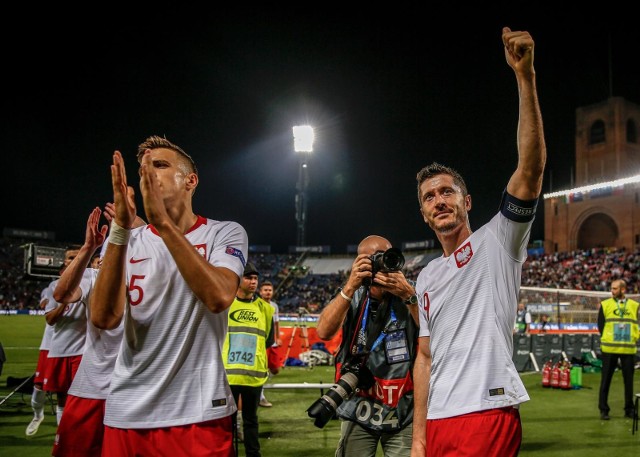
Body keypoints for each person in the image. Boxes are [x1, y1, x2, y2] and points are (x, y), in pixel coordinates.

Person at [412, 27, 546, 456]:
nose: (439, 201)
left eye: (447, 191)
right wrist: (418, 438)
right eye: (430, 197)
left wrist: (524, 78)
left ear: (467, 201)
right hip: (438, 420)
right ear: (423, 213)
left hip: (487, 412)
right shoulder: (427, 276)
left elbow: (530, 170)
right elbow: (426, 359)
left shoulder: (498, 240)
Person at [91, 135, 248, 457]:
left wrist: (161, 223)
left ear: (190, 180)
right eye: (143, 168)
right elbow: (104, 318)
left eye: (159, 165)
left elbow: (219, 296)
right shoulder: (126, 238)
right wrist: (121, 228)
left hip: (200, 412)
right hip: (126, 409)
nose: (148, 173)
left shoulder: (224, 232)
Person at [51, 205, 145, 456]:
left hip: (135, 393)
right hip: (92, 389)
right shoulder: (94, 277)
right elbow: (61, 294)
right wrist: (87, 248)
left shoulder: (154, 278)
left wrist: (138, 224)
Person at [315, 235, 419, 457]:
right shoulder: (352, 295)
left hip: (403, 411)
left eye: (385, 257)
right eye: (372, 260)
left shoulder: (411, 292)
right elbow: (323, 331)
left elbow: (436, 331)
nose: (380, 265)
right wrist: (350, 286)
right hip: (358, 407)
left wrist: (409, 297)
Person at [222, 262, 275, 457]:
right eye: (248, 278)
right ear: (238, 279)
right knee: (228, 423)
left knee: (251, 421)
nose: (253, 282)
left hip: (253, 376)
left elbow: (268, 340)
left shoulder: (266, 309)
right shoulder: (225, 304)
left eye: (255, 278)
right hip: (229, 376)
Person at [42, 246, 85, 426]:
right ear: (64, 262)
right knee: (61, 396)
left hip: (82, 352)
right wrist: (64, 303)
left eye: (76, 257)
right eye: (69, 258)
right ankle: (62, 432)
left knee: (80, 397)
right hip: (59, 350)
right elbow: (50, 319)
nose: (72, 260)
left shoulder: (90, 281)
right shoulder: (55, 287)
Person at [597, 279, 639, 420]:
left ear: (623, 289)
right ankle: (604, 410)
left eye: (615, 288)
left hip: (628, 350)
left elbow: (636, 324)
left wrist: (634, 337)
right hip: (609, 349)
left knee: (629, 382)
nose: (612, 291)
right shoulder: (605, 304)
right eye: (612, 288)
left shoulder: (634, 306)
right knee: (605, 381)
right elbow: (600, 326)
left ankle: (629, 409)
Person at [25, 281, 56, 436]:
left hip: (76, 346)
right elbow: (44, 306)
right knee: (39, 385)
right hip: (49, 345)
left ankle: (64, 427)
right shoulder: (52, 286)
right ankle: (38, 416)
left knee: (66, 390)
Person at [258, 280, 281, 407]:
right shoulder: (257, 305)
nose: (268, 292)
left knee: (275, 369)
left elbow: (276, 323)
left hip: (273, 343)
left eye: (270, 290)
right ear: (260, 292)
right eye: (265, 290)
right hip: (262, 342)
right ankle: (261, 396)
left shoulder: (274, 306)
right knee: (263, 369)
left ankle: (264, 381)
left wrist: (278, 337)